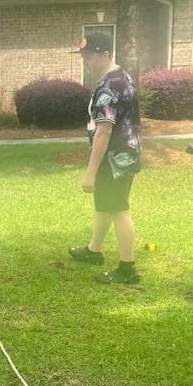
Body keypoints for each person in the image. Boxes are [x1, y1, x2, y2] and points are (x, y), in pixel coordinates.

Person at [69, 31, 142, 285]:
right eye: (83, 57)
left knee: (118, 209)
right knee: (106, 205)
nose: (84, 62)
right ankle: (94, 250)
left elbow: (104, 130)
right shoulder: (122, 77)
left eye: (88, 57)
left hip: (115, 159)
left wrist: (90, 171)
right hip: (124, 155)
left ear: (105, 55)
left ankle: (127, 269)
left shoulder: (110, 86)